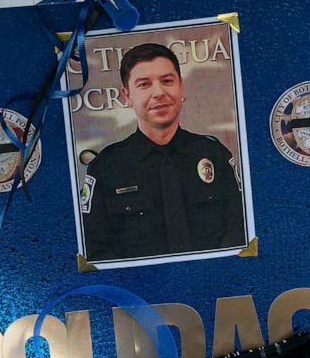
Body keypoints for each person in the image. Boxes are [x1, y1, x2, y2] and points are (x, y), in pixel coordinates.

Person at [80, 43, 246, 261]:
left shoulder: (215, 155)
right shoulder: (105, 168)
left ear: (181, 87)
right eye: (144, 84)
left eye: (167, 81)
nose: (158, 92)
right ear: (127, 96)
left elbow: (239, 228)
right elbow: (95, 248)